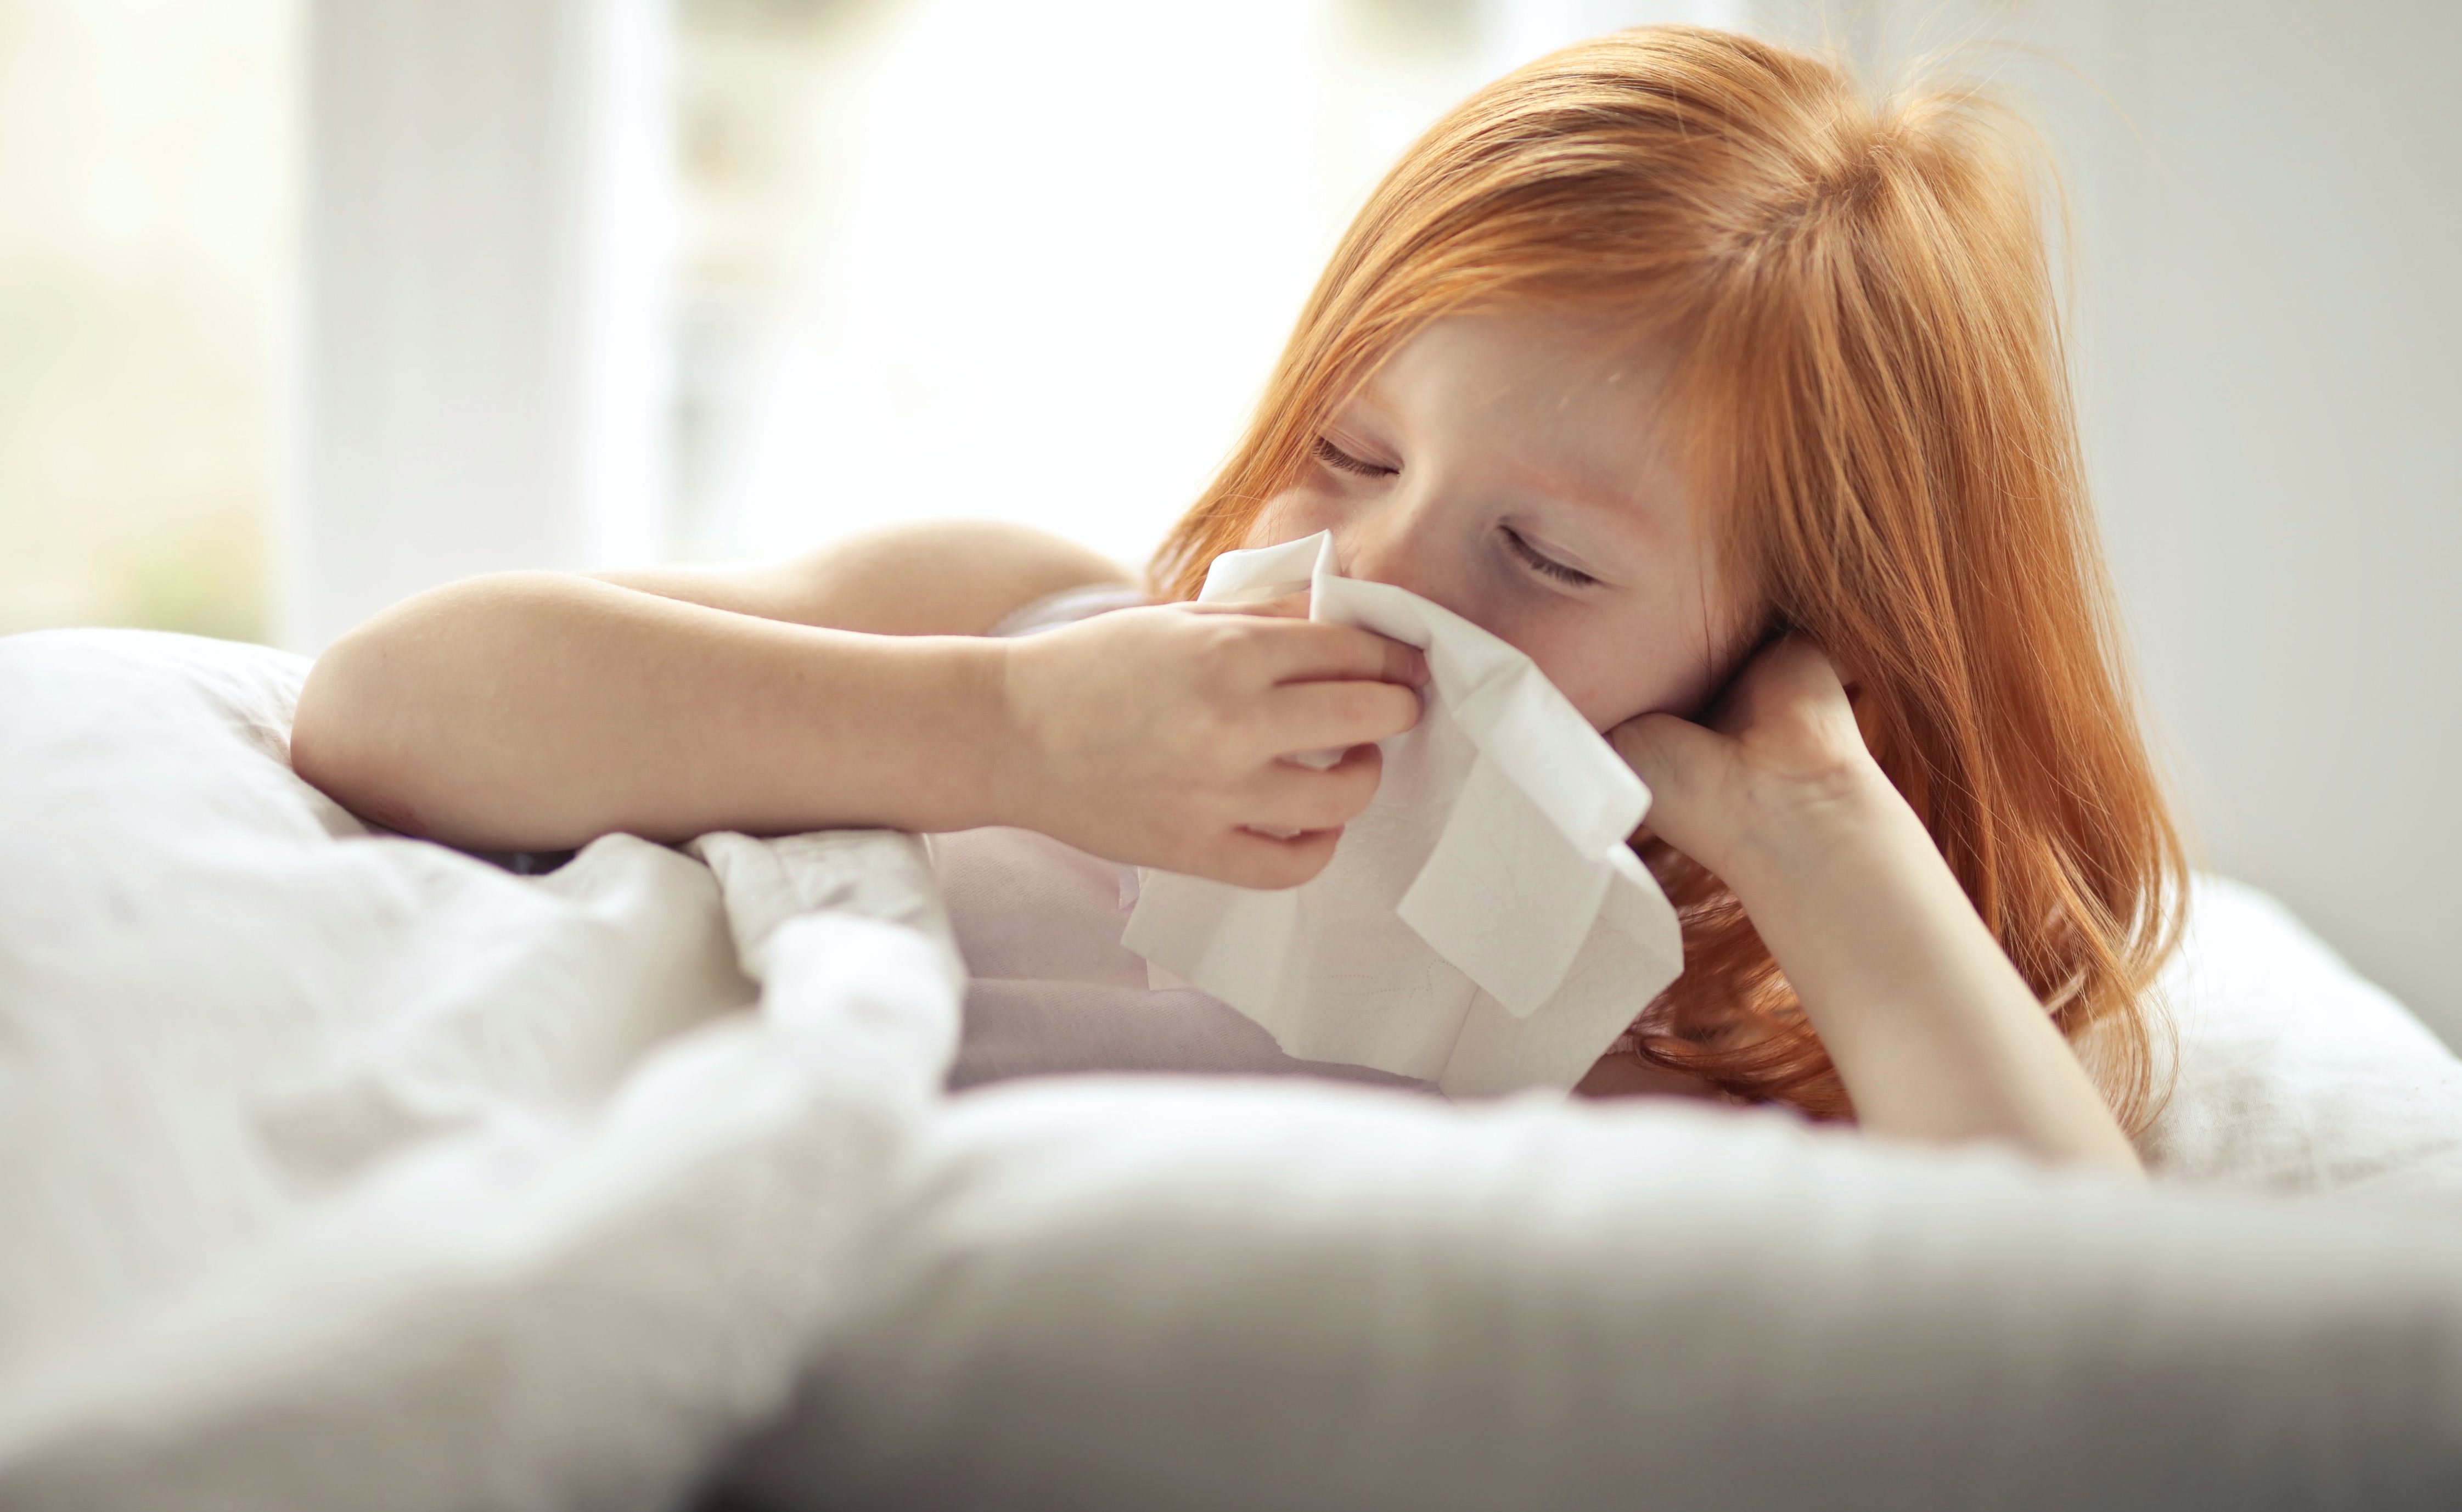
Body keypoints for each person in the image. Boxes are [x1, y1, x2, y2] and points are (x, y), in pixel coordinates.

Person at [291, 25, 2182, 1175]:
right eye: (1351, 448)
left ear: (1784, 642)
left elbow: (2103, 1346)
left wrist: (1820, 827)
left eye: (1547, 559)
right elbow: (386, 704)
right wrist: (1000, 734)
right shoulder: (1023, 625)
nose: (1371, 567)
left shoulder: (1674, 1037)